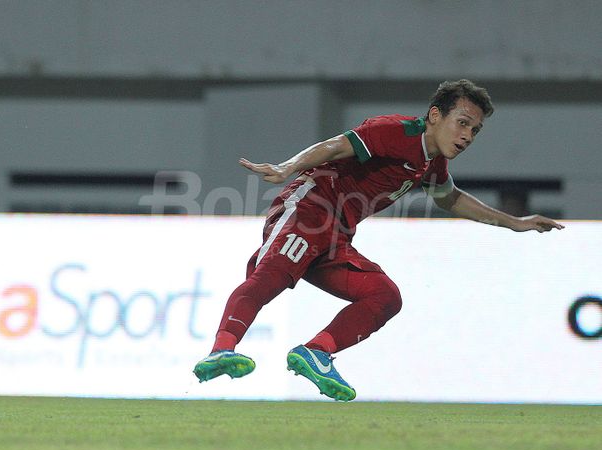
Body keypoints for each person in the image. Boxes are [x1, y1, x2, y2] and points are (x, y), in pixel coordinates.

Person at [193, 79, 564, 401]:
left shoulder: (432, 164)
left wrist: (515, 223)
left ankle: (316, 352)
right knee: (271, 275)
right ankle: (221, 350)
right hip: (309, 208)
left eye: (475, 130)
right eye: (462, 123)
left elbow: (450, 198)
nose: (467, 135)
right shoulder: (397, 131)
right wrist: (288, 167)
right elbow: (336, 146)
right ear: (436, 116)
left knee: (385, 297)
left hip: (338, 235)